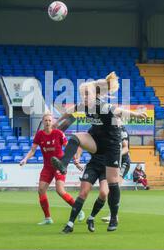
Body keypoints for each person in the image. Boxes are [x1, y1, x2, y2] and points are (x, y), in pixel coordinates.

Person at [51, 72, 147, 233]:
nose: (84, 96)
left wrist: (137, 114)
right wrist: (57, 123)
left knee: (112, 182)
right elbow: (68, 113)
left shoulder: (102, 106)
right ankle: (63, 165)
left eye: (87, 94)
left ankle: (114, 217)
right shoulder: (83, 106)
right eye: (82, 94)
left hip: (111, 145)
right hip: (96, 141)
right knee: (75, 137)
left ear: (96, 94)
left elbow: (120, 111)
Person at [20, 112, 85, 225]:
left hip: (60, 165)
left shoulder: (58, 133)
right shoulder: (39, 134)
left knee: (60, 190)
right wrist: (25, 159)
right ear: (43, 122)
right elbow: (33, 150)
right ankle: (48, 218)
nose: (48, 122)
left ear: (53, 122)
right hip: (47, 166)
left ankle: (78, 210)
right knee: (41, 190)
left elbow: (69, 149)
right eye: (46, 120)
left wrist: (76, 161)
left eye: (50, 120)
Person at [102, 122, 131, 223]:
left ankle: (114, 216)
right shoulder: (108, 128)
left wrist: (116, 154)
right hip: (113, 162)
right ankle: (112, 215)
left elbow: (126, 148)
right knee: (111, 188)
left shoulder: (122, 130)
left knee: (115, 187)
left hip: (123, 162)